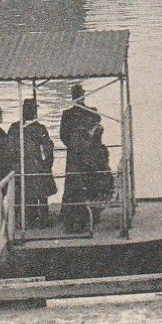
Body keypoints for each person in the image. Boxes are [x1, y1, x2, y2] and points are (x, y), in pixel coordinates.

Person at [9, 98, 56, 228]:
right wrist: (47, 164)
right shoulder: (39, 128)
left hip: (22, 168)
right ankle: (42, 220)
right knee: (41, 194)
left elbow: (10, 149)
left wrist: (15, 164)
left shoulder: (15, 128)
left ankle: (26, 220)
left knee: (25, 195)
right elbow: (48, 148)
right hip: (37, 167)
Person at [59, 86, 98, 232]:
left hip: (73, 156)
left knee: (72, 185)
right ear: (82, 96)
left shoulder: (67, 114)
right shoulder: (91, 112)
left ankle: (69, 216)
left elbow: (63, 135)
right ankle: (88, 216)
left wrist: (73, 146)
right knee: (87, 183)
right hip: (87, 155)